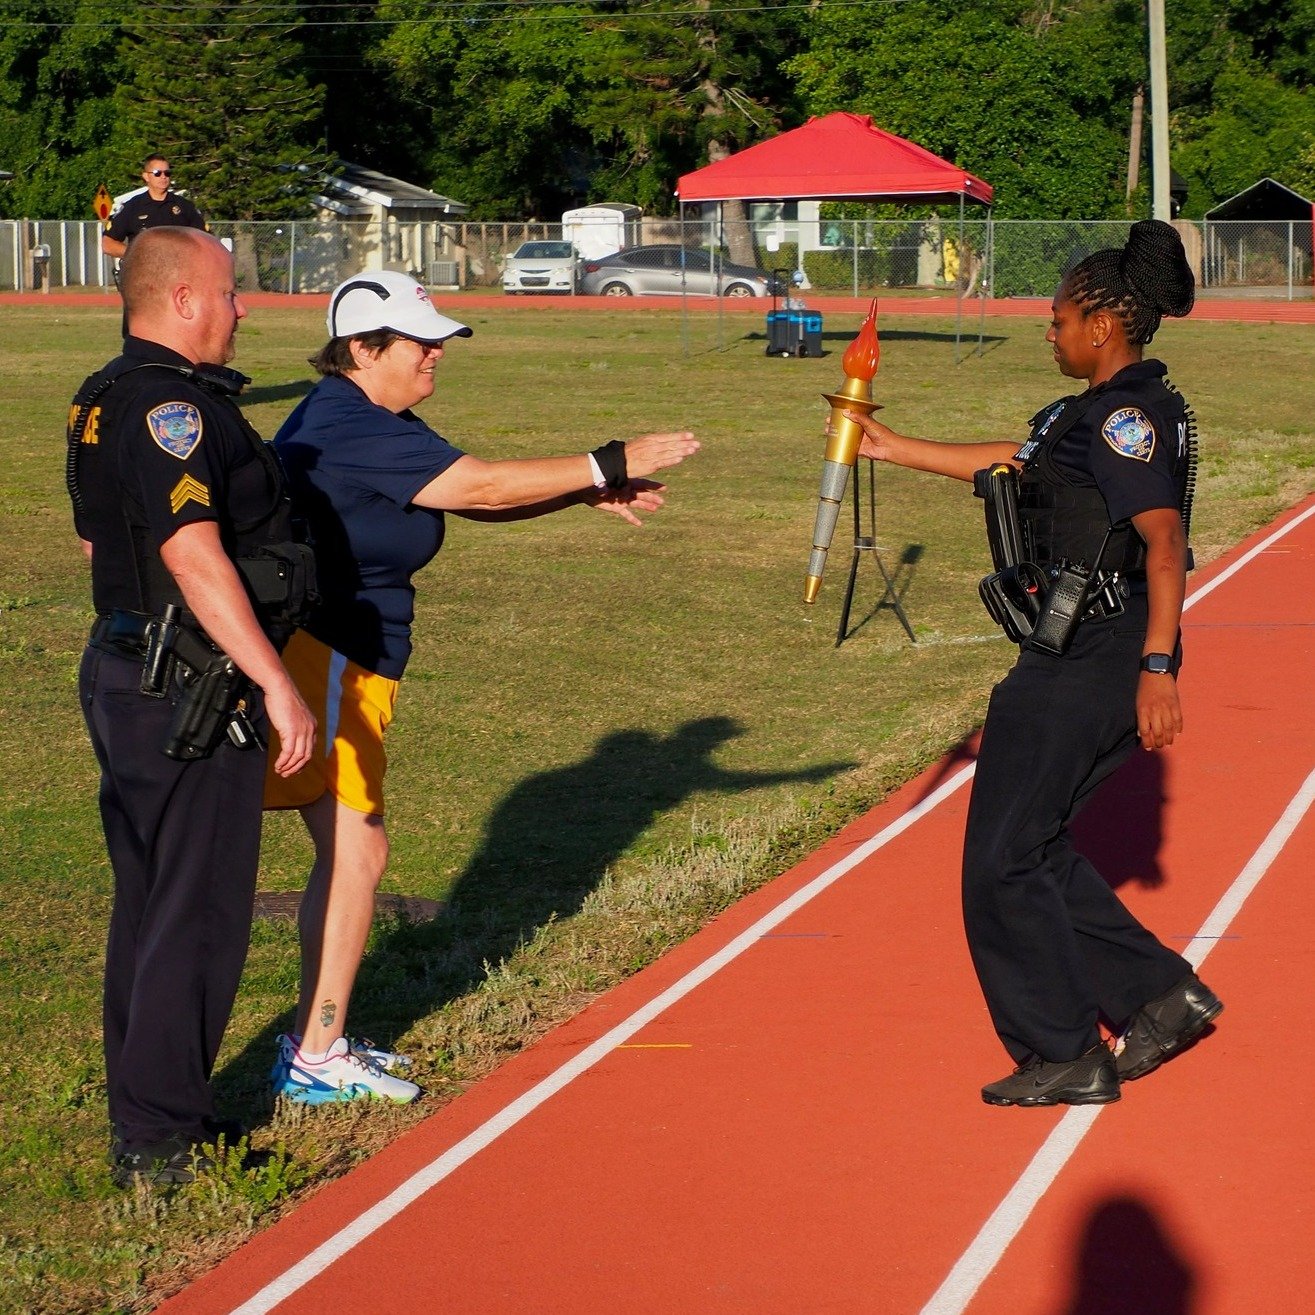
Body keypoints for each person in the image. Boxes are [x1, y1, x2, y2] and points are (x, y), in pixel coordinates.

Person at [264, 271, 699, 1105]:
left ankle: (315, 1047)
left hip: (353, 662)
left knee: (352, 851)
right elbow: (482, 484)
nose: (435, 353)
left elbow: (461, 496)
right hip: (328, 659)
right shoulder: (344, 422)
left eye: (438, 339)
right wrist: (606, 458)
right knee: (356, 852)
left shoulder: (375, 418)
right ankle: (315, 1053)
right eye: (419, 341)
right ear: (361, 349)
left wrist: (581, 488)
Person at [844, 220, 1222, 1107]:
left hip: (1094, 652)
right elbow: (1013, 467)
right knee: (1036, 846)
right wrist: (890, 447)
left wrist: (1157, 666)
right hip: (1076, 644)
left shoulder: (1126, 417)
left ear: (1100, 322)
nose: (1046, 332)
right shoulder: (1081, 413)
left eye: (1056, 320)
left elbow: (1163, 541)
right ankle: (1157, 996)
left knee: (1000, 862)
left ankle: (1061, 1050)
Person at [68, 227, 316, 1184]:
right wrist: (273, 680)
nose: (241, 307)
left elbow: (102, 543)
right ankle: (163, 1136)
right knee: (199, 907)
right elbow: (191, 552)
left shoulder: (105, 396)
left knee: (151, 899)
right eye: (228, 292)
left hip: (132, 667)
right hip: (192, 685)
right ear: (181, 301)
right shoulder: (172, 408)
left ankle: (144, 1107)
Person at [101, 155, 207, 261]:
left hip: (179, 269)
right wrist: (139, 254)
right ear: (146, 176)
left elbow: (206, 240)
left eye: (167, 173)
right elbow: (108, 244)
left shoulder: (184, 206)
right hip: (144, 271)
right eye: (157, 173)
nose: (163, 176)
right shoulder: (132, 207)